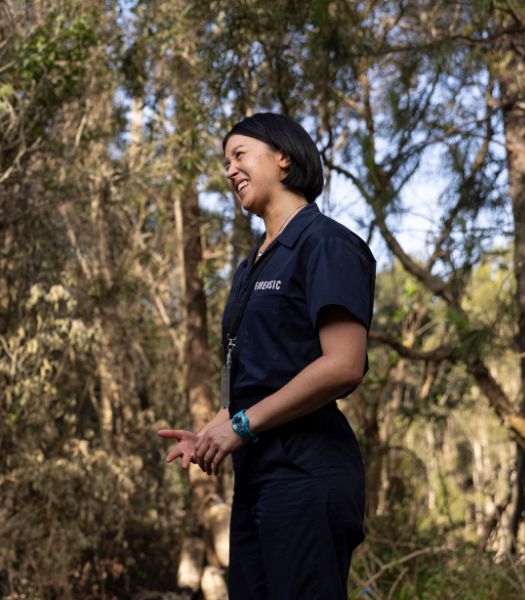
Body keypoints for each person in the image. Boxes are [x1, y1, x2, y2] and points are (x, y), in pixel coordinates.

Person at [158, 113, 374, 599]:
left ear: (283, 159)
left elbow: (344, 365)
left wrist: (241, 425)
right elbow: (252, 375)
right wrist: (215, 430)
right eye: (225, 162)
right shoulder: (249, 266)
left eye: (240, 155)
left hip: (307, 474)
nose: (229, 170)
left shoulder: (327, 244)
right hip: (255, 480)